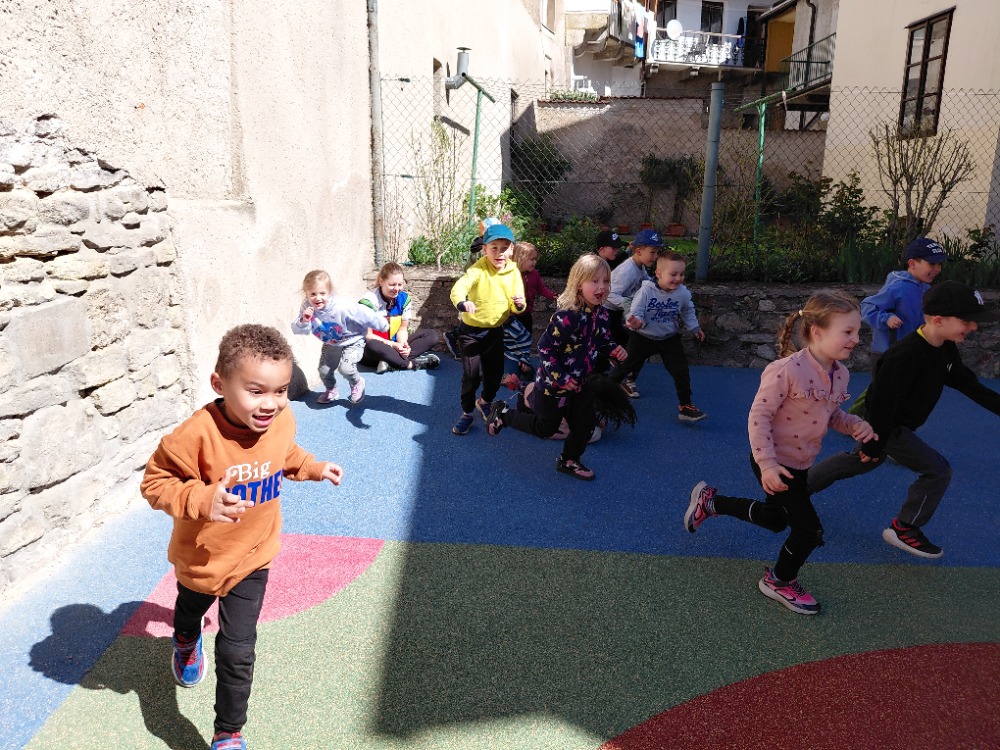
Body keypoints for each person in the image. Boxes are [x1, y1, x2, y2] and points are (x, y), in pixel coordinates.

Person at [140, 324, 344, 750]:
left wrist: (312, 467)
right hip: (203, 558)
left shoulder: (281, 419)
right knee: (189, 611)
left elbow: (284, 453)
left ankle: (228, 733)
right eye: (256, 391)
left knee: (238, 651)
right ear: (220, 384)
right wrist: (201, 498)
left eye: (280, 390)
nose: (271, 403)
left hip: (254, 555)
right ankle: (185, 641)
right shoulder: (195, 435)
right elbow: (155, 483)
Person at [685, 290, 875, 615]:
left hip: (800, 463)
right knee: (808, 530)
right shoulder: (786, 370)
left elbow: (831, 415)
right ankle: (779, 580)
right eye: (848, 331)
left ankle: (710, 502)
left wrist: (855, 424)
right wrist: (768, 465)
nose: (856, 339)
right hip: (772, 460)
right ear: (817, 332)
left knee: (774, 520)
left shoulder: (840, 374)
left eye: (857, 331)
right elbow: (759, 416)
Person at [808, 280, 1000, 559]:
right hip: (885, 425)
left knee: (856, 463)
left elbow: (969, 385)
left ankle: (793, 493)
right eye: (966, 321)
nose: (973, 327)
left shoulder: (944, 348)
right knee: (938, 470)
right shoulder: (905, 356)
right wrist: (875, 442)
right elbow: (881, 405)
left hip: (891, 424)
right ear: (938, 320)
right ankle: (905, 528)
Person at [484, 253, 628, 480]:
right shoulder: (566, 317)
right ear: (579, 284)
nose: (602, 287)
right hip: (553, 386)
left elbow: (603, 340)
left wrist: (614, 349)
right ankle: (503, 413)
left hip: (580, 383)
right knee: (546, 428)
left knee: (584, 425)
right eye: (594, 281)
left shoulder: (601, 314)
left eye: (606, 281)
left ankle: (569, 460)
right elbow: (545, 348)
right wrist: (561, 377)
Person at [850, 236, 947, 414]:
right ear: (912, 264)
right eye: (932, 264)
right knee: (883, 392)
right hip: (887, 351)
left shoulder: (926, 289)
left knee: (896, 391)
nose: (937, 269)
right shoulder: (898, 287)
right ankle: (858, 419)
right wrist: (886, 318)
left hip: (909, 350)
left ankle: (863, 417)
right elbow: (867, 307)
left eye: (940, 264)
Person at [610, 249, 708, 422]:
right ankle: (600, 394)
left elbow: (687, 311)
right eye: (673, 274)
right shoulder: (646, 291)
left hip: (669, 338)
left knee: (681, 371)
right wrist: (636, 321)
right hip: (643, 337)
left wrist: (694, 328)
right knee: (624, 367)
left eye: (681, 274)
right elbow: (636, 311)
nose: (678, 278)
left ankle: (686, 406)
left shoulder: (682, 293)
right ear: (659, 274)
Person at [449, 222, 526, 435]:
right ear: (484, 249)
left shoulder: (513, 272)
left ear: (511, 250)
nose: (499, 253)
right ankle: (467, 413)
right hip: (471, 333)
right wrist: (462, 302)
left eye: (504, 248)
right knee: (471, 376)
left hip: (495, 332)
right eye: (494, 248)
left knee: (495, 375)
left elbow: (518, 302)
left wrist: (519, 304)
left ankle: (484, 401)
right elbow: (459, 287)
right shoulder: (477, 269)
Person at [290, 269, 387, 406]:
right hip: (332, 342)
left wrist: (380, 323)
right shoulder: (307, 307)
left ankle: (357, 382)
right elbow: (298, 329)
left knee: (346, 368)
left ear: (329, 292)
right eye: (313, 294)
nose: (318, 298)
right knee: (324, 371)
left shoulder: (341, 306)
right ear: (306, 293)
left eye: (322, 293)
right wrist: (304, 320)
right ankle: (331, 390)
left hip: (353, 339)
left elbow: (361, 313)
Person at [604, 228, 660, 397]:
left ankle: (625, 375)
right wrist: (630, 305)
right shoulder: (627, 271)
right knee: (635, 345)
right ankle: (623, 376)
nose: (655, 256)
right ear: (638, 251)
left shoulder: (639, 267)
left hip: (619, 312)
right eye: (652, 252)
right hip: (609, 313)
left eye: (657, 252)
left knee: (637, 346)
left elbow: (647, 283)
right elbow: (609, 294)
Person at [358, 262, 440, 374]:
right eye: (392, 285)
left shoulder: (404, 299)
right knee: (372, 344)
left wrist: (403, 345)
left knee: (431, 335)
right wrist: (393, 345)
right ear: (381, 281)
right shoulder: (368, 300)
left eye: (400, 284)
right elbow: (368, 336)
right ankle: (411, 364)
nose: (396, 289)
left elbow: (402, 329)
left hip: (394, 346)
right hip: (372, 351)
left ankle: (391, 362)